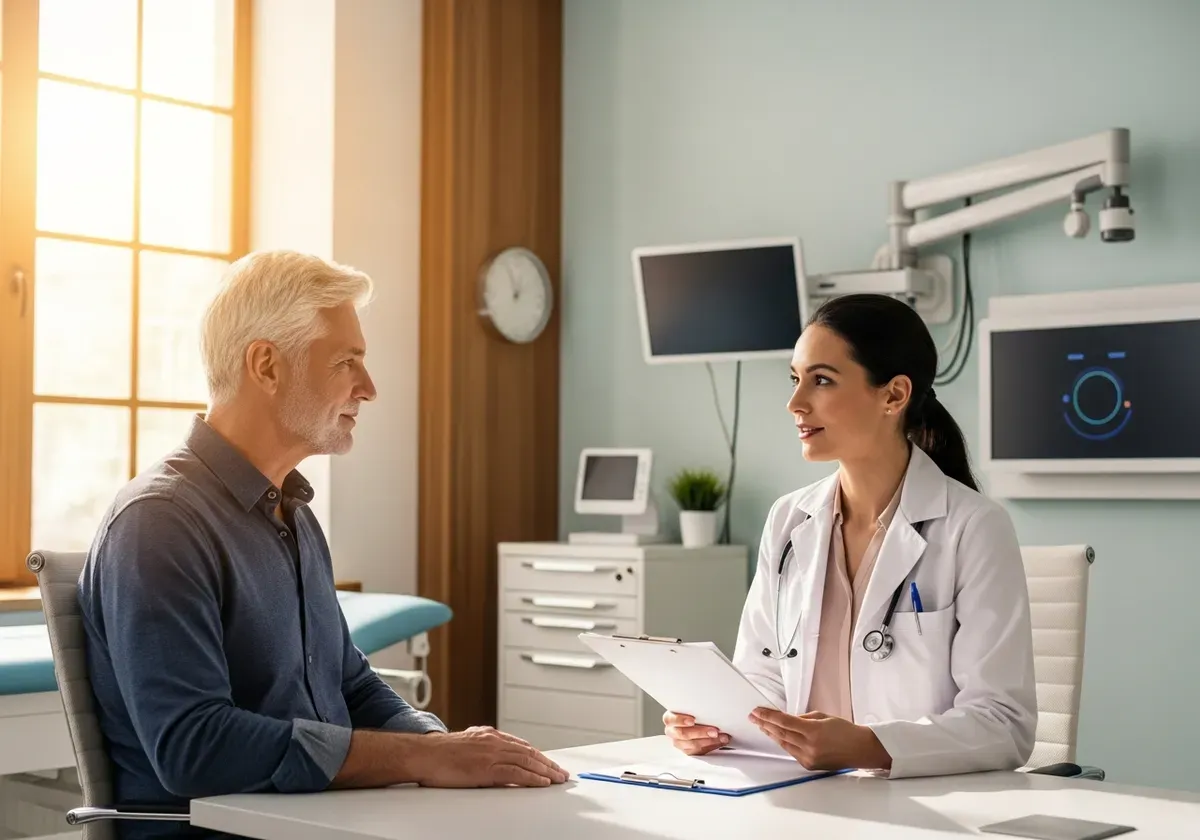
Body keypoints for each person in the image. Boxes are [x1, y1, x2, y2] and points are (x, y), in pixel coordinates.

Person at [78, 250, 567, 840]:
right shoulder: (159, 522)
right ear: (266, 366)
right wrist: (419, 761)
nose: (369, 388)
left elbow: (351, 685)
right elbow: (194, 746)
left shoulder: (293, 513)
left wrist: (443, 747)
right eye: (347, 362)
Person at [663, 293, 1037, 779]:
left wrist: (870, 746)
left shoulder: (974, 527)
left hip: (919, 809)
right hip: (801, 796)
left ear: (894, 395)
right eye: (796, 380)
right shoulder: (788, 521)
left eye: (821, 380)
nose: (795, 403)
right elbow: (762, 679)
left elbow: (1004, 725)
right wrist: (715, 723)